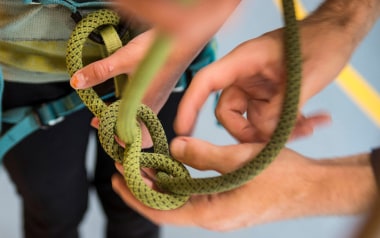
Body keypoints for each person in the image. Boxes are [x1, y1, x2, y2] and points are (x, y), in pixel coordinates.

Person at [70, 0, 380, 232]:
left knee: (133, 211)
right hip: (33, 84)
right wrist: (342, 19)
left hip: (161, 65)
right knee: (52, 204)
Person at [0, 1, 241, 238]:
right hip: (24, 77)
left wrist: (179, 52)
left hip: (164, 61)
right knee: (52, 209)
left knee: (139, 205)